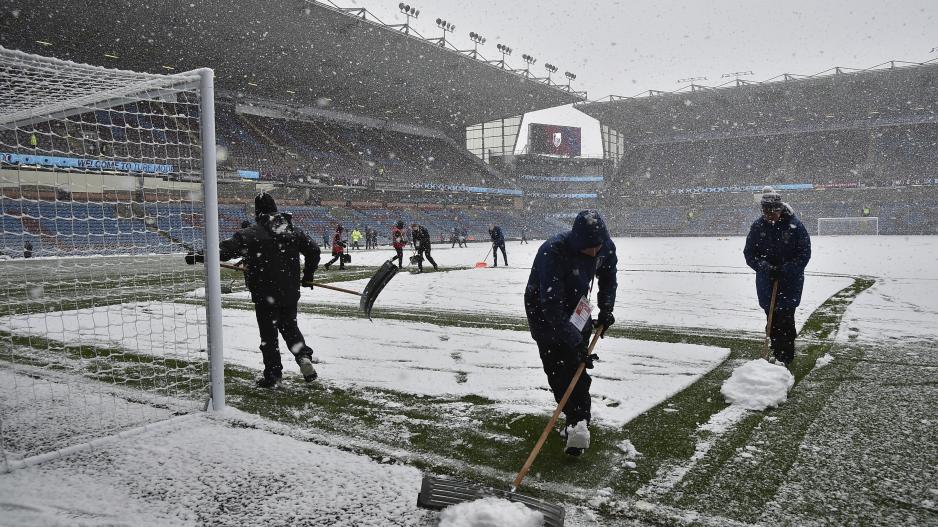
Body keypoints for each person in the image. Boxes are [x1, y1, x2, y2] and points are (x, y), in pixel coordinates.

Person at [188, 192, 320, 388]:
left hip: (265, 293)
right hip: (289, 292)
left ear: (257, 211)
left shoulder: (251, 233)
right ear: (275, 209)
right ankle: (302, 356)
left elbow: (224, 251)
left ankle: (273, 375)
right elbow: (314, 250)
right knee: (290, 328)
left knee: (269, 337)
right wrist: (308, 275)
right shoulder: (293, 230)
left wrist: (200, 255)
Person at [524, 210, 617, 456]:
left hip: (578, 308)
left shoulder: (604, 246)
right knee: (558, 371)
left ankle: (579, 422)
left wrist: (607, 309)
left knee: (577, 366)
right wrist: (575, 342)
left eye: (598, 247)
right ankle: (573, 415)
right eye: (589, 248)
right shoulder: (553, 251)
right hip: (544, 312)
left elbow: (608, 276)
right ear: (577, 242)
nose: (595, 253)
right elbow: (551, 306)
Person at [743, 187, 811, 366]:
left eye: (773, 210)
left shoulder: (795, 227)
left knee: (786, 320)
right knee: (771, 320)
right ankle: (775, 350)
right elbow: (750, 254)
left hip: (789, 285)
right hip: (766, 284)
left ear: (780, 209)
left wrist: (786, 269)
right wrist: (765, 267)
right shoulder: (758, 227)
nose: (769, 214)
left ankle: (786, 357)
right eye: (765, 211)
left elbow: (804, 254)